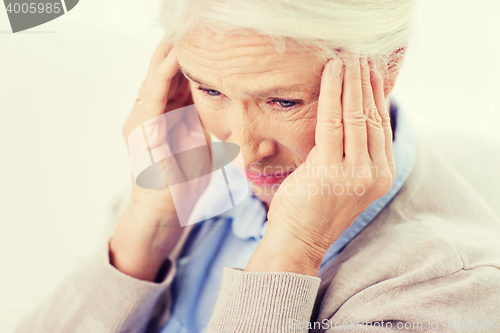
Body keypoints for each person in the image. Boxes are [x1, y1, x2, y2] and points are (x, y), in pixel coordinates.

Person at [16, 0, 500, 332]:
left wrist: (293, 252)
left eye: (283, 101)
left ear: (386, 67)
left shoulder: (448, 287)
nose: (244, 152)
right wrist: (148, 221)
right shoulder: (183, 177)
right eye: (210, 90)